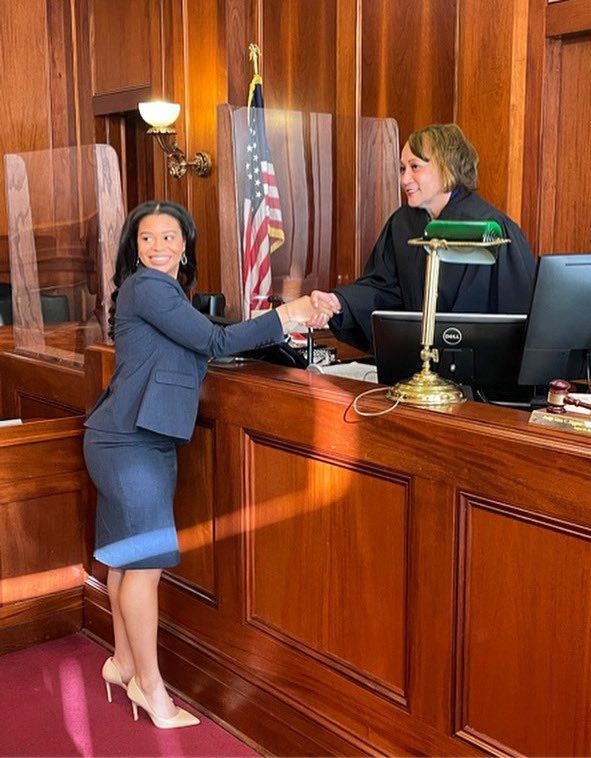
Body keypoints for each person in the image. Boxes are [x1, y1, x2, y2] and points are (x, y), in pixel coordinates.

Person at [83, 200, 334, 729]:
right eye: (146, 238)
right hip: (131, 442)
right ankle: (151, 689)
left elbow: (202, 337)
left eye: (169, 238)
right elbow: (215, 342)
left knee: (125, 560)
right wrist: (288, 314)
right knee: (143, 568)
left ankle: (124, 663)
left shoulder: (163, 292)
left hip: (125, 437)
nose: (158, 248)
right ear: (134, 248)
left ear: (185, 245)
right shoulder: (148, 287)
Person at [309, 123, 536, 351]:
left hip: (476, 373)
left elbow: (513, 319)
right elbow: (383, 290)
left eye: (415, 167)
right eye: (401, 169)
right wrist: (339, 303)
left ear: (447, 167)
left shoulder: (491, 230)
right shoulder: (403, 224)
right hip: (417, 370)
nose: (405, 179)